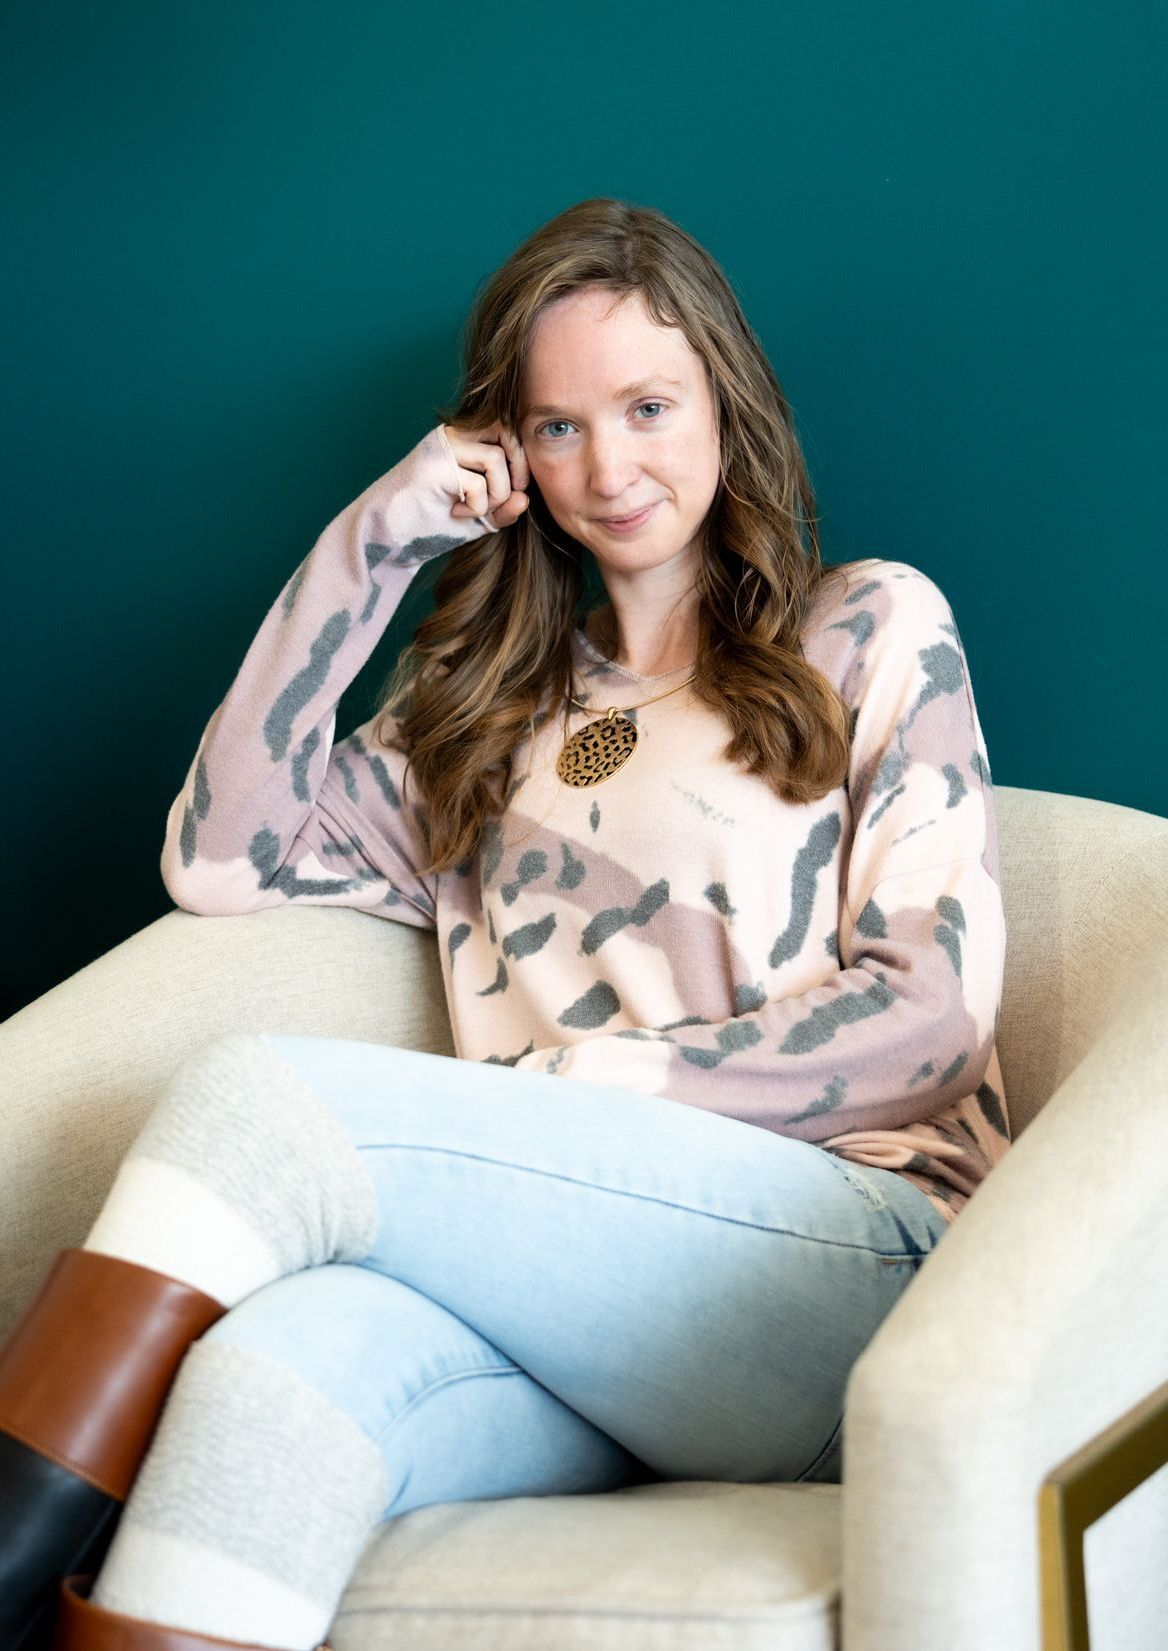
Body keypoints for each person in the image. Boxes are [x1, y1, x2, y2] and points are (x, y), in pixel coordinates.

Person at [0, 196, 1011, 1651]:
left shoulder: (864, 627)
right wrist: (372, 547)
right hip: (586, 1318)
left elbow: (934, 1019)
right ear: (505, 450)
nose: (610, 466)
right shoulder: (474, 722)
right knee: (268, 1386)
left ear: (726, 400)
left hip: (852, 1271)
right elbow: (221, 858)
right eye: (557, 428)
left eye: (650, 406)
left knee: (263, 1102)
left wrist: (578, 1086)